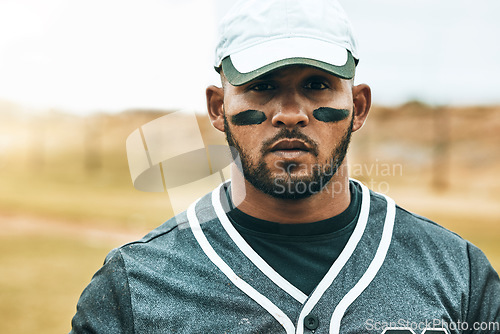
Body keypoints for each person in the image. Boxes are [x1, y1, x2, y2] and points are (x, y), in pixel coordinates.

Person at [70, 0, 500, 333]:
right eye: (262, 87)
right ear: (218, 108)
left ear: (359, 106)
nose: (290, 113)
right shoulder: (134, 285)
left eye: (317, 85)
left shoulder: (458, 271)